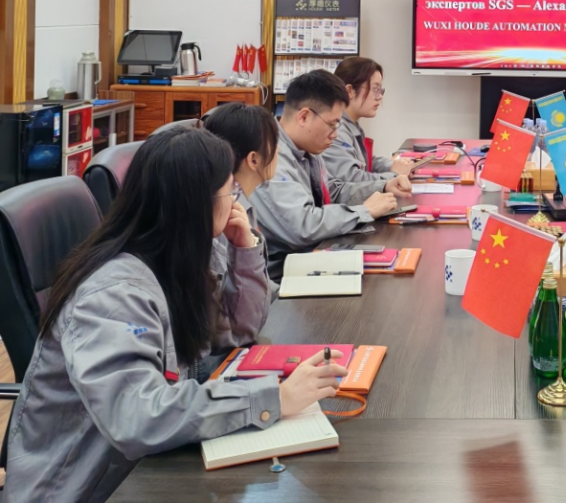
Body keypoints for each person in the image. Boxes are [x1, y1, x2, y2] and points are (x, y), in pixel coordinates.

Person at [2, 128, 347, 503]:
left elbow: (235, 333)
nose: (236, 202)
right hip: (84, 490)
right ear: (195, 204)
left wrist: (245, 249)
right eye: (230, 192)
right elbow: (136, 417)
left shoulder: (173, 262)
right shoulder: (114, 295)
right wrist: (273, 398)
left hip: (141, 469)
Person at [250, 70, 398, 279]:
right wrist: (363, 211)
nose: (335, 134)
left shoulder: (307, 148)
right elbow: (302, 227)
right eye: (332, 124)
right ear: (304, 116)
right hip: (284, 275)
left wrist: (382, 186)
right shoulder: (271, 156)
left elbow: (333, 191)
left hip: (311, 257)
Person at [202, 101, 280, 317]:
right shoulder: (223, 215)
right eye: (275, 144)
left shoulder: (242, 202)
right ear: (253, 159)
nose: (279, 150)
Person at [324, 57, 413, 205]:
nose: (380, 97)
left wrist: (393, 165)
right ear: (349, 91)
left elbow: (365, 162)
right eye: (375, 89)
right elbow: (353, 179)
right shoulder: (336, 131)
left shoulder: (351, 125)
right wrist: (394, 174)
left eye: (381, 90)